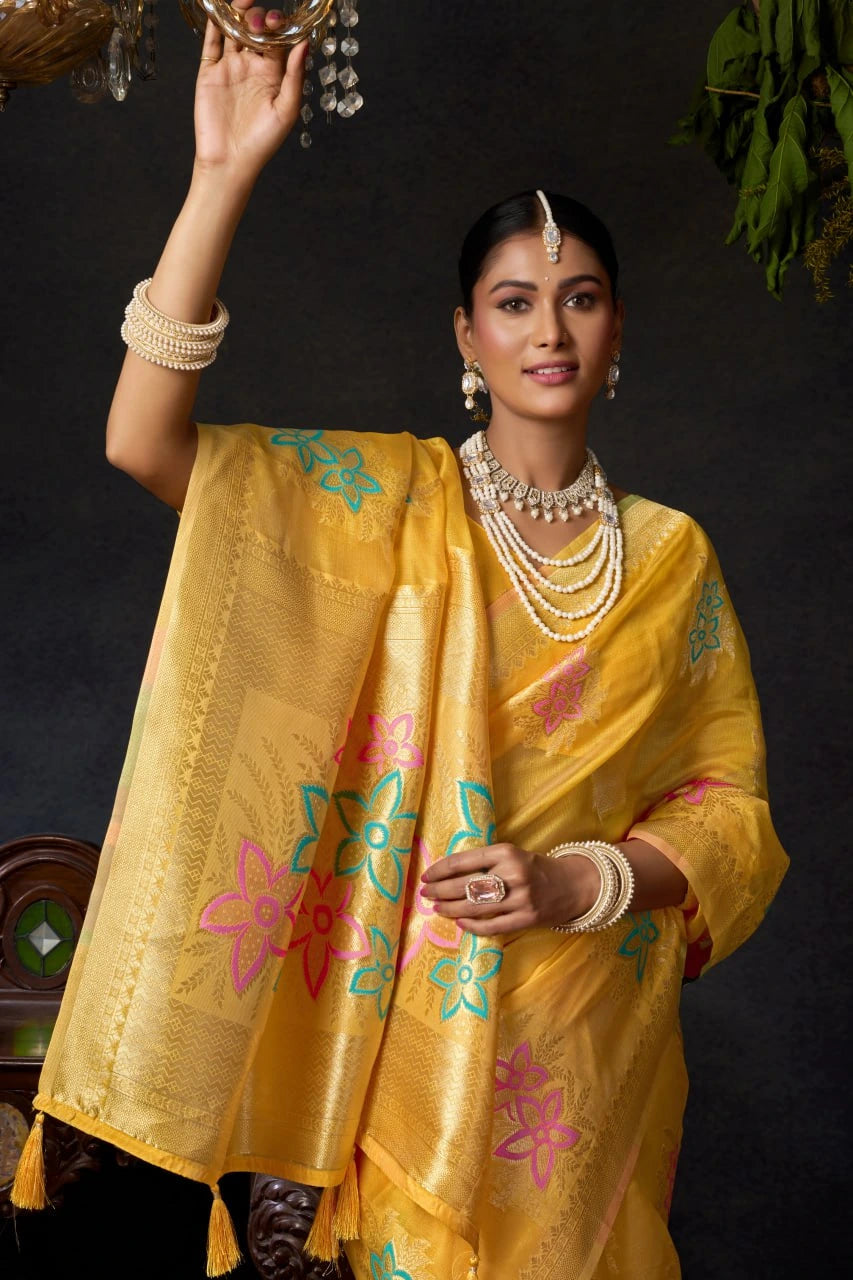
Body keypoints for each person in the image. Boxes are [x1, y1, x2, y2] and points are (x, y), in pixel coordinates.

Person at [15, 5, 789, 1278]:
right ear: (466, 338)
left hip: (589, 1040)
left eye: (579, 299)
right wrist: (221, 175)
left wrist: (578, 877)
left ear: (616, 331)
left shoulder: (670, 556)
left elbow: (728, 807)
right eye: (514, 300)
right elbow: (142, 441)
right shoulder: (386, 503)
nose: (549, 328)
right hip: (404, 1032)